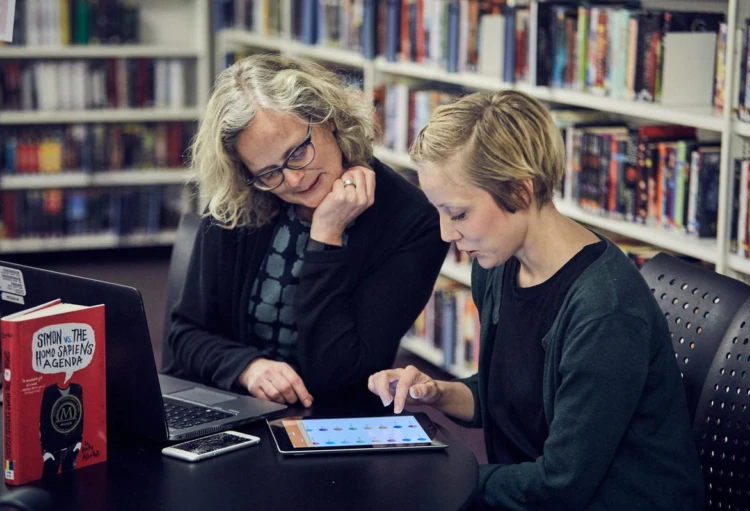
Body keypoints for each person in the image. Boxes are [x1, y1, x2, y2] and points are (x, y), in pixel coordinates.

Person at [368, 90, 704, 510]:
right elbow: (510, 398)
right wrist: (435, 393)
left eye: (457, 213)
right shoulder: (498, 264)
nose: (445, 233)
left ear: (521, 192)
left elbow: (561, 484)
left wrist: (446, 480)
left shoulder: (603, 310)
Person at [165, 54, 448, 408]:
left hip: (333, 421)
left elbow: (339, 372)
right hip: (231, 402)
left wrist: (326, 237)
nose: (294, 179)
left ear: (328, 119)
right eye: (269, 173)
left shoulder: (410, 221)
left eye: (298, 151)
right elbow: (184, 336)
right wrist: (247, 367)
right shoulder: (239, 201)